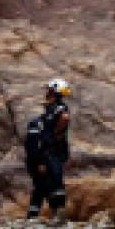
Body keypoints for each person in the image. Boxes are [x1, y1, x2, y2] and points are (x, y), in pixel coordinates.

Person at [24, 78, 72, 219]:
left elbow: (64, 119)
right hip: (45, 156)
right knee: (47, 186)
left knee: (48, 187)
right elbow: (32, 146)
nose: (46, 94)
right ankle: (53, 215)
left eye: (49, 91)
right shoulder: (38, 122)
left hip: (50, 155)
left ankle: (52, 215)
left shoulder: (58, 110)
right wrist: (40, 162)